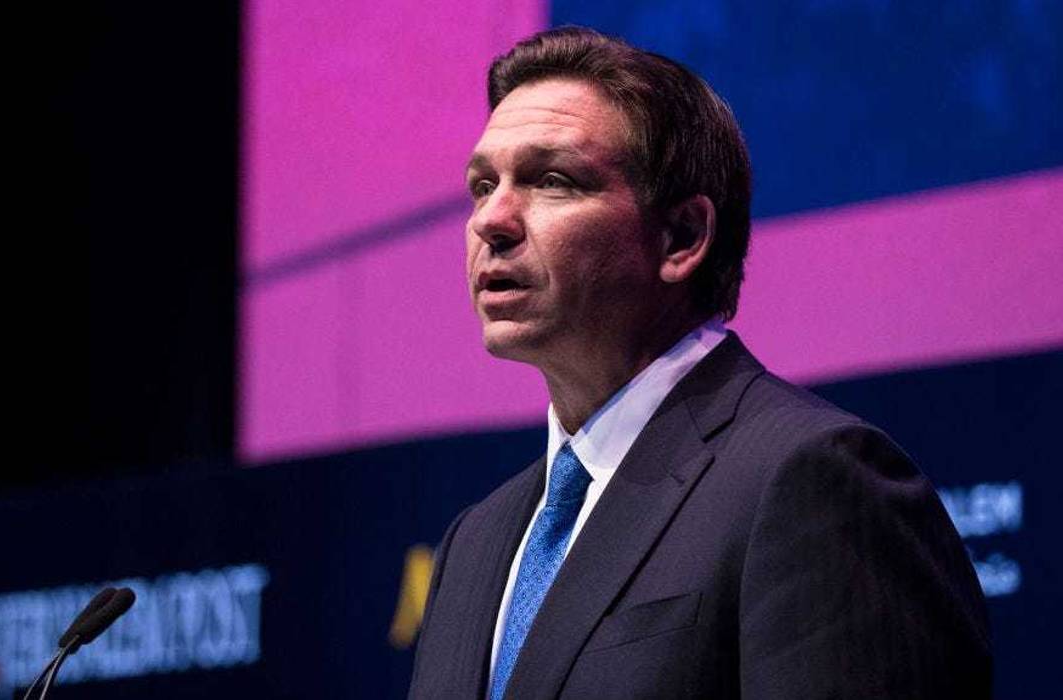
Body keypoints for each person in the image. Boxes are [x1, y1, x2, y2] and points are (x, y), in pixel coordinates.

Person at [408, 27, 991, 700]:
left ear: (682, 236)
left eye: (552, 181)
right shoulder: (475, 544)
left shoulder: (811, 481)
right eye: (483, 185)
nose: (492, 220)